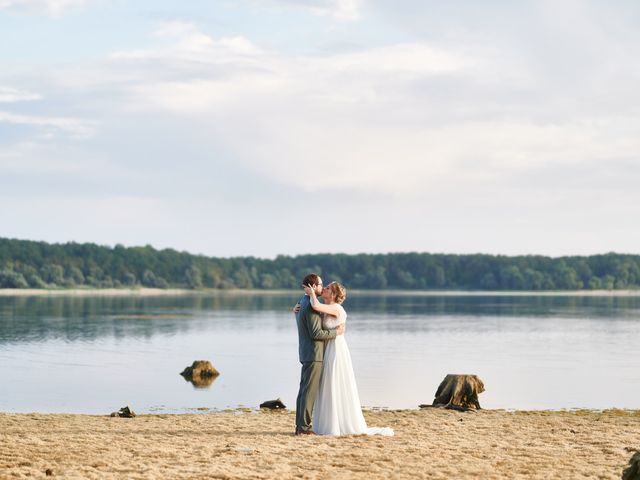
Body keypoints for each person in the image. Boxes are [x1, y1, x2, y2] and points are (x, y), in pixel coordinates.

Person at [296, 281, 394, 436]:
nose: (325, 289)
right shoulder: (326, 308)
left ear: (333, 295)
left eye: (327, 288)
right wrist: (297, 309)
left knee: (335, 381)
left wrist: (312, 292)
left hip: (336, 349)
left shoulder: (336, 308)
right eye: (325, 287)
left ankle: (337, 423)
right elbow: (312, 313)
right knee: (327, 384)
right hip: (327, 348)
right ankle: (326, 422)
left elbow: (315, 306)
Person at [294, 273, 344, 435]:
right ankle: (304, 428)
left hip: (307, 351)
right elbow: (316, 333)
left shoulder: (303, 302)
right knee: (308, 392)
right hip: (314, 353)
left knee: (304, 391)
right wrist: (336, 333)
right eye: (321, 285)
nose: (323, 288)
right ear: (313, 287)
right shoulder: (310, 304)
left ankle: (300, 426)